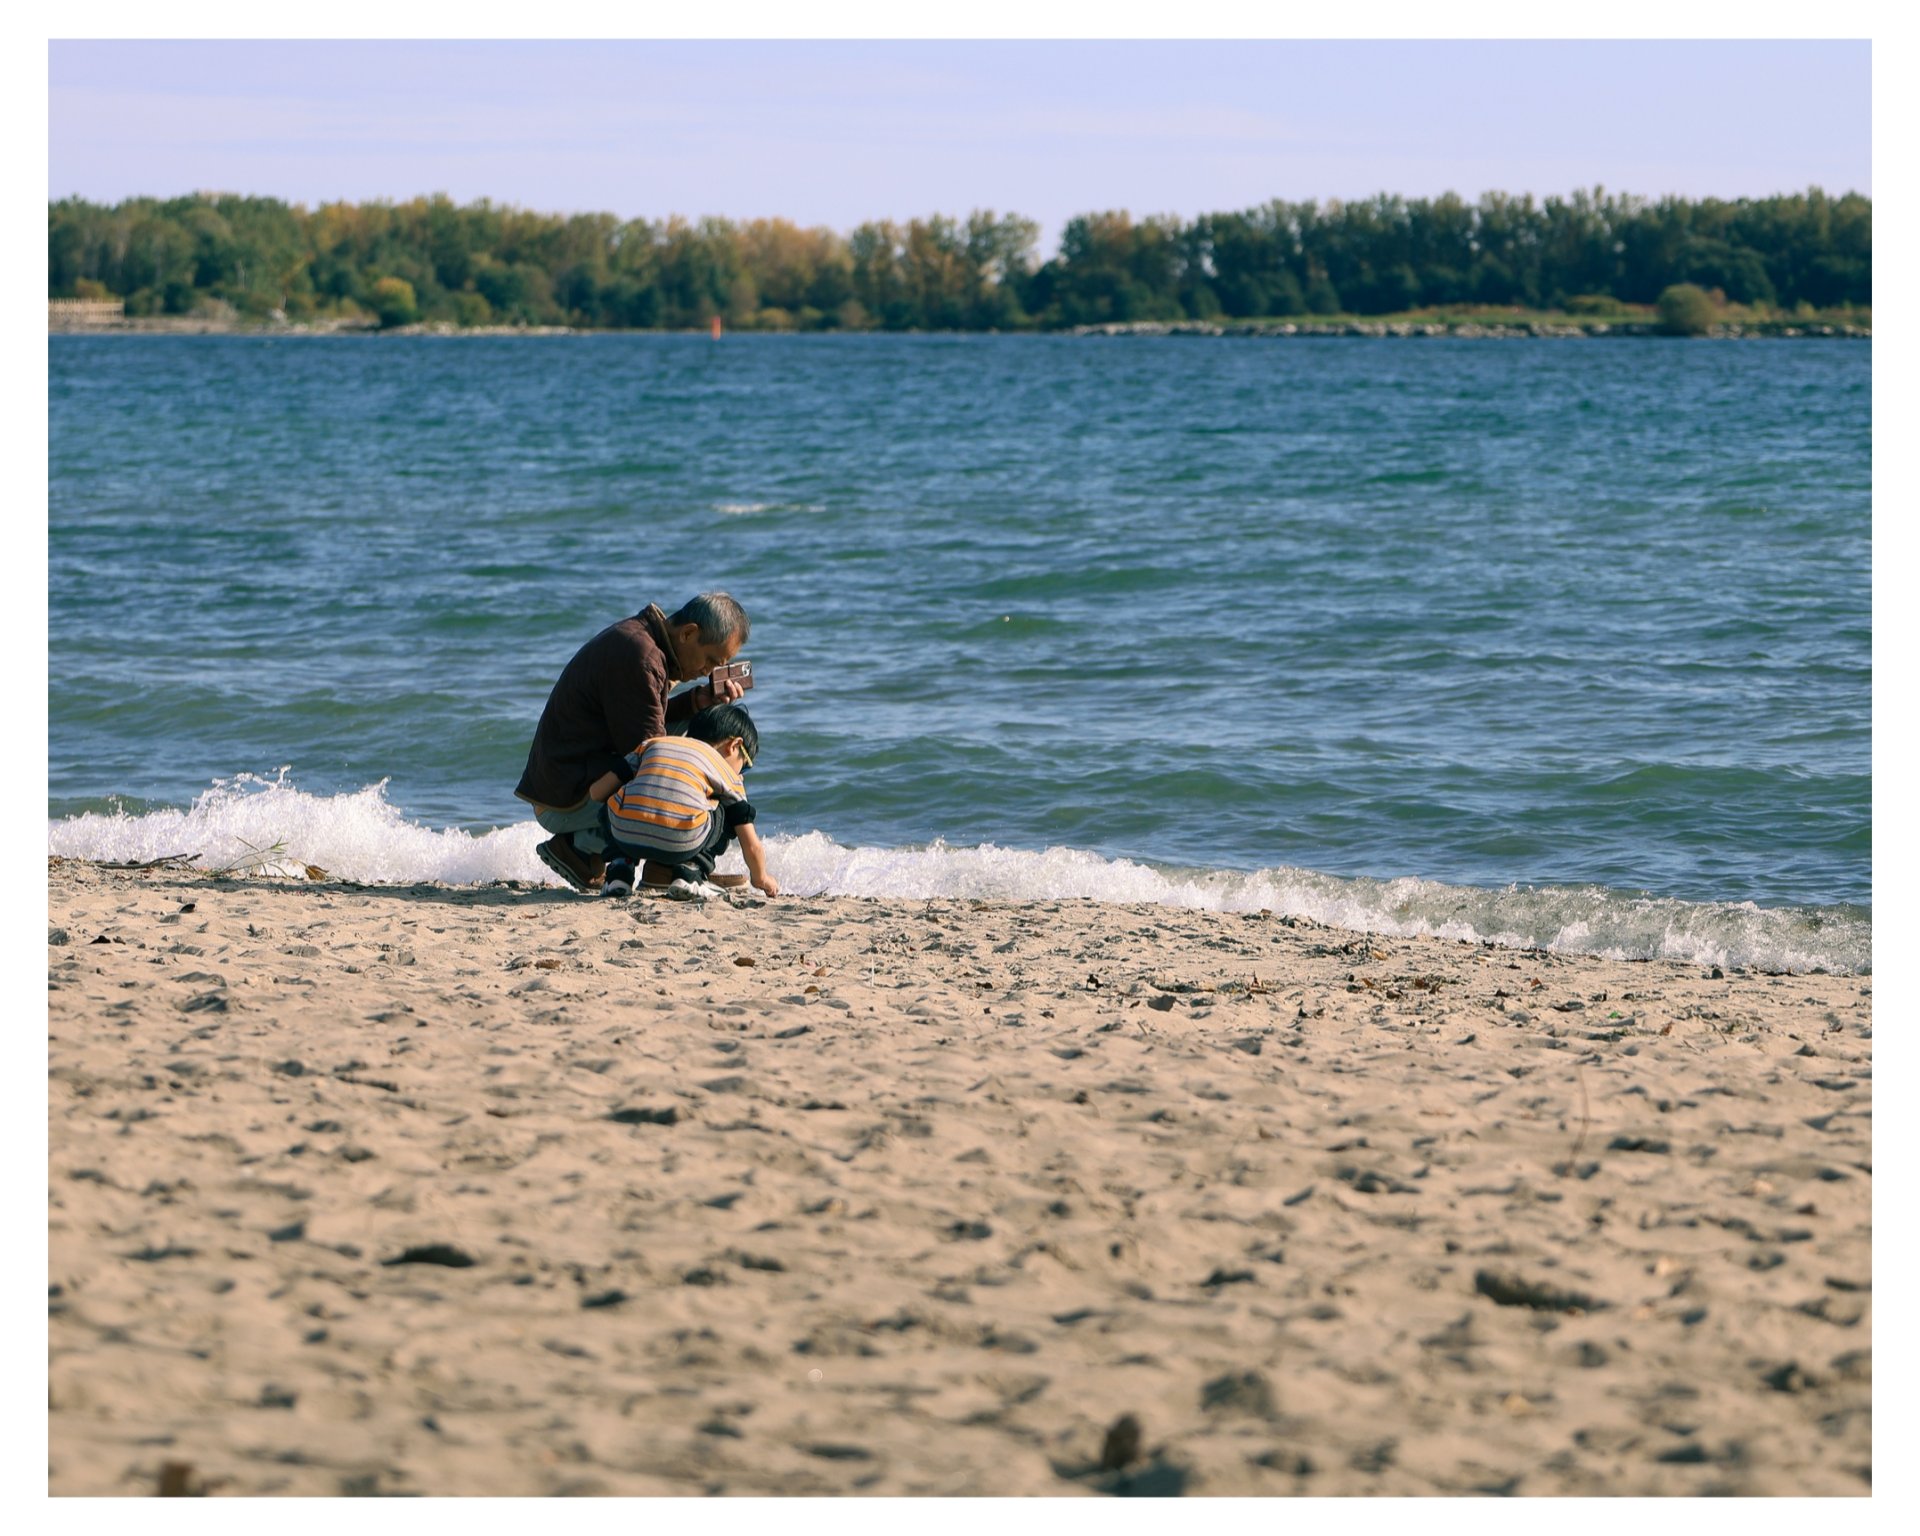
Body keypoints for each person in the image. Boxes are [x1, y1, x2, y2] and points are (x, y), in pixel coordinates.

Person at [516, 593, 749, 891]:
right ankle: (675, 861)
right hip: (566, 800)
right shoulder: (641, 657)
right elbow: (654, 766)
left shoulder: (644, 642)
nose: (709, 671)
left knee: (704, 725)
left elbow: (643, 718)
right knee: (685, 768)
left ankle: (585, 850)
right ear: (689, 633)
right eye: (711, 660)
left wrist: (697, 701)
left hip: (566, 782)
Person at [599, 704, 779, 900]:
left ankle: (619, 871)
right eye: (744, 767)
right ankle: (690, 872)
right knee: (726, 810)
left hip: (625, 837)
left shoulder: (653, 744)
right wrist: (762, 878)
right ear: (734, 745)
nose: (740, 774)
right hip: (682, 842)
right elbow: (751, 845)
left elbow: (597, 792)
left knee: (614, 800)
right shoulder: (726, 772)